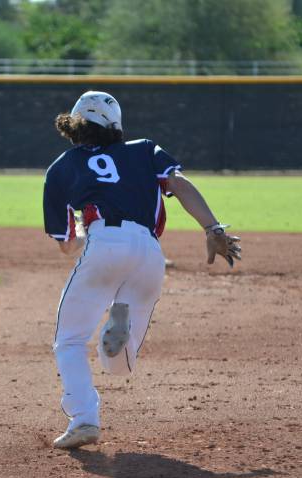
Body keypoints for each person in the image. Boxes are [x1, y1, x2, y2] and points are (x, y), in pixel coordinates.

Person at [43, 91, 241, 449]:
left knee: (70, 339)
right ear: (115, 126)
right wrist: (213, 229)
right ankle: (117, 336)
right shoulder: (144, 149)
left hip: (103, 242)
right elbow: (178, 185)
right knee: (120, 365)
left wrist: (86, 231)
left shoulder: (61, 168)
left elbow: (65, 244)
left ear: (74, 125)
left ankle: (85, 419)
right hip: (149, 251)